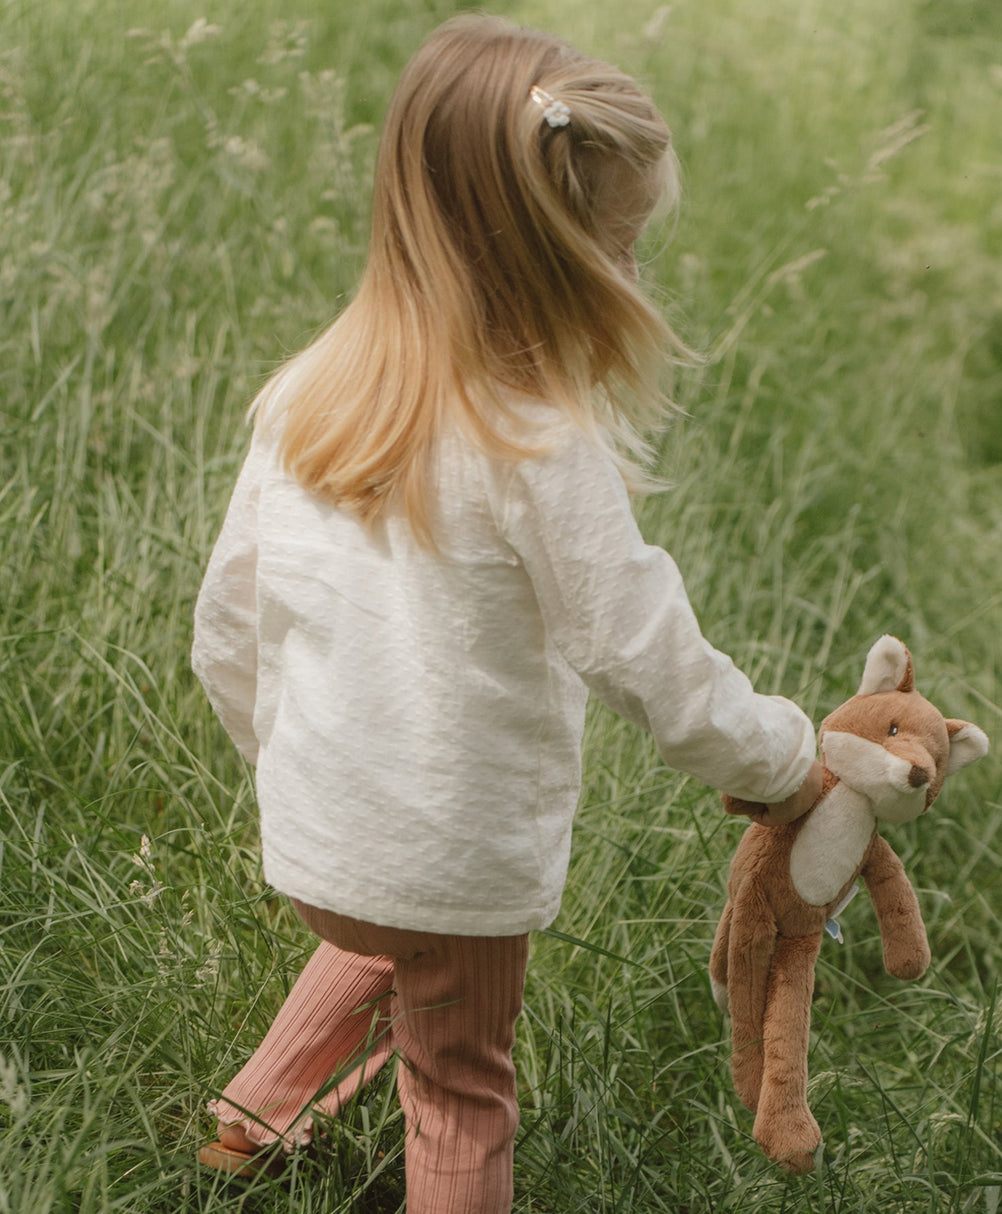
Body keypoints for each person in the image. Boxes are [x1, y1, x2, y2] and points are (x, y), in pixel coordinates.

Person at [191, 13, 822, 1212]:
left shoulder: (307, 392)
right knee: (461, 1087)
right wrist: (784, 761)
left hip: (318, 840)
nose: (631, 277)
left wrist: (293, 772)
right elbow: (644, 651)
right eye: (618, 250)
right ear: (543, 256)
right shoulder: (535, 445)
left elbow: (227, 619)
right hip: (450, 867)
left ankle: (251, 1120)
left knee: (382, 927)